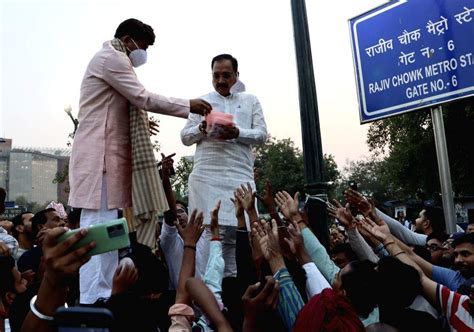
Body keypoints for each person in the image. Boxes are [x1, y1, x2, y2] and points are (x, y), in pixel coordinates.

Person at [68, 18, 212, 304]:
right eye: (143, 47)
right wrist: (189, 106)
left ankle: (104, 294)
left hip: (108, 156)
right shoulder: (112, 57)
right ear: (129, 39)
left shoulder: (114, 56)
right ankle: (92, 298)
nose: (142, 54)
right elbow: (142, 97)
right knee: (98, 228)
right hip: (100, 158)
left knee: (108, 232)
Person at [181, 53, 267, 277]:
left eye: (226, 75)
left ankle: (238, 298)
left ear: (236, 76)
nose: (221, 81)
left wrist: (237, 132)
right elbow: (185, 137)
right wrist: (201, 128)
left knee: (241, 238)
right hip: (206, 179)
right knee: (207, 240)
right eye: (216, 76)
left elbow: (261, 135)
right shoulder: (202, 102)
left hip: (239, 176)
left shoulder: (250, 100)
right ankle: (209, 302)